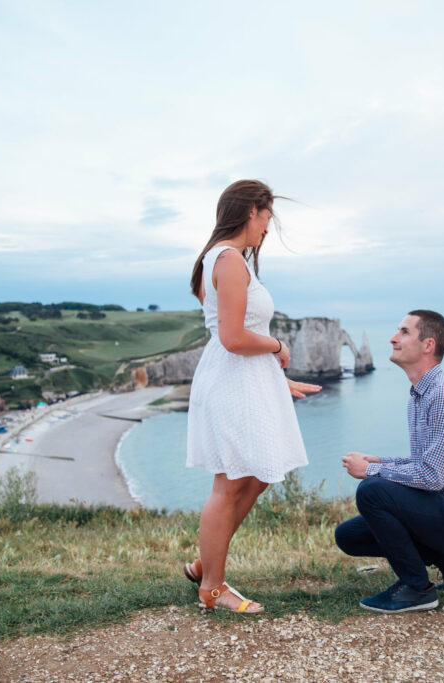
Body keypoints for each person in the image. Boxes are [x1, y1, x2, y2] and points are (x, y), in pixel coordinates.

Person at [182, 179, 321, 614]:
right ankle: (213, 587)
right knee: (229, 484)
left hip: (245, 381)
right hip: (232, 382)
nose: (267, 229)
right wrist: (280, 348)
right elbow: (234, 338)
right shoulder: (227, 260)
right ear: (251, 212)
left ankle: (208, 559)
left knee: (259, 474)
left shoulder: (228, 260)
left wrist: (278, 381)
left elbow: (239, 338)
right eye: (267, 218)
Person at [336, 310, 444, 613]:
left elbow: (432, 477)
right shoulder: (421, 393)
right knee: (348, 536)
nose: (393, 337)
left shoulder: (443, 394)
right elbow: (427, 464)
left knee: (372, 491)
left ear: (428, 345)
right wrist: (380, 460)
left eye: (403, 332)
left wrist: (371, 470)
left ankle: (417, 588)